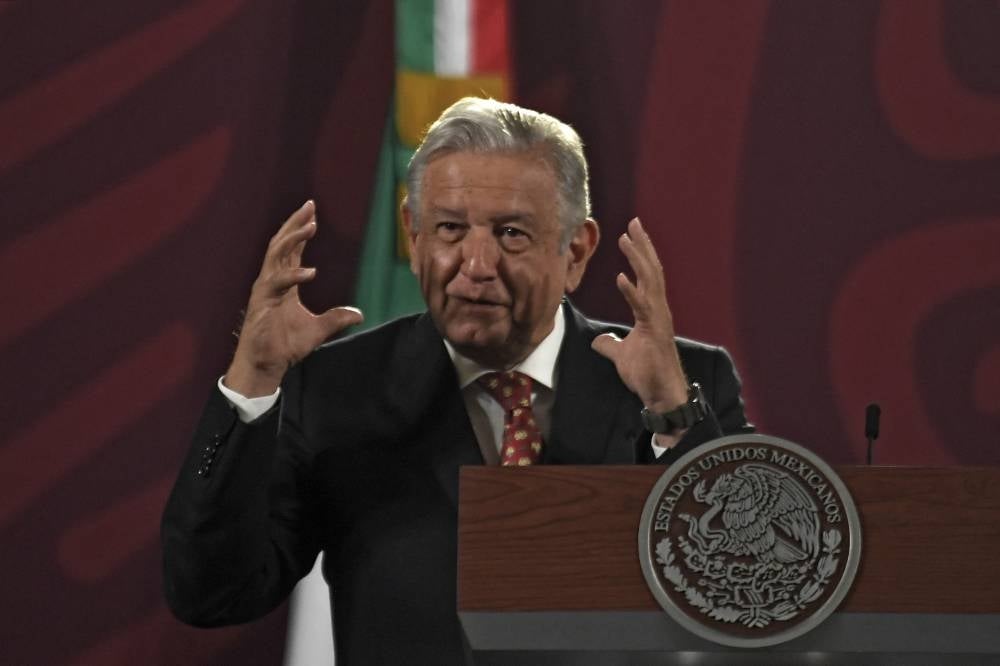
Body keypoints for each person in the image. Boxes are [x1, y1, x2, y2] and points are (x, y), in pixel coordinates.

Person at [162, 97, 752, 665]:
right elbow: (213, 593)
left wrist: (671, 414)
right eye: (449, 229)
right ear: (413, 237)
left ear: (575, 252)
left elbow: (752, 595)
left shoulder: (683, 385)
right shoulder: (337, 391)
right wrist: (253, 385)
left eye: (511, 234)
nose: (475, 265)